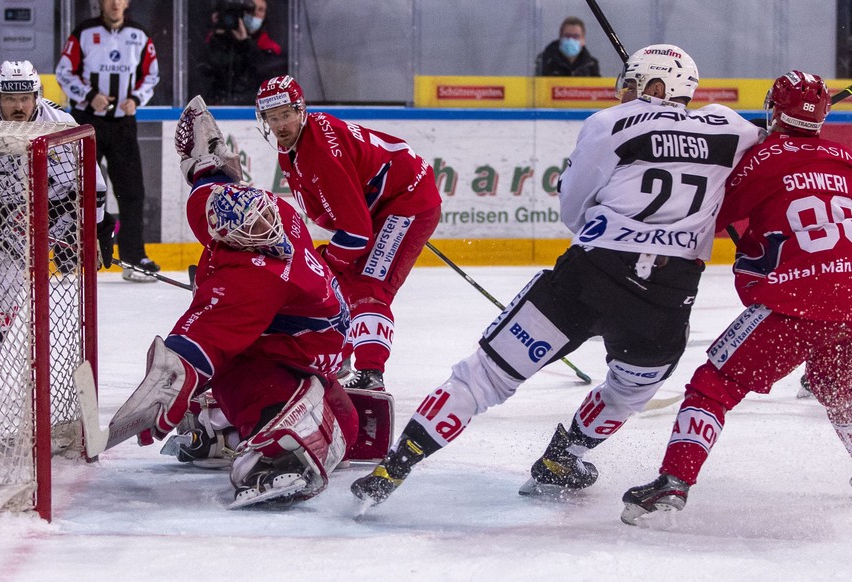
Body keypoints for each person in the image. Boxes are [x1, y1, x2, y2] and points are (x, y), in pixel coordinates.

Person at [349, 44, 764, 507]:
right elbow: (780, 130)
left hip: (590, 276)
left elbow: (573, 211)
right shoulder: (731, 125)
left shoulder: (610, 123)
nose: (623, 92)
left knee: (484, 376)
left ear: (652, 86)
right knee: (627, 392)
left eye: (630, 83)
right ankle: (564, 457)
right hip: (666, 298)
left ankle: (395, 467)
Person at [94, 96, 394, 506]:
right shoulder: (275, 211)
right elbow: (211, 185)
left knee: (236, 374)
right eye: (251, 226)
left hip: (308, 346)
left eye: (260, 224)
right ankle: (229, 424)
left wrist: (161, 402)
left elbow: (198, 350)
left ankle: (279, 451)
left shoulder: (251, 279)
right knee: (345, 422)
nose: (260, 227)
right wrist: (206, 160)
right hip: (306, 326)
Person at [621, 71, 852, 524]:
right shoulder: (845, 157)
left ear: (774, 107)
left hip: (795, 302)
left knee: (713, 384)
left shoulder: (762, 158)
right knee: (839, 390)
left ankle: (674, 481)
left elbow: (711, 213)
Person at [255, 75, 442, 392]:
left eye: (286, 114)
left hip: (406, 201)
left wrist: (322, 260)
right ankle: (334, 354)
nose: (280, 125)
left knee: (367, 285)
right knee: (334, 280)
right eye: (273, 118)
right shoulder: (291, 150)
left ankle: (371, 373)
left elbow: (355, 235)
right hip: (382, 206)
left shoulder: (322, 153)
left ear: (302, 110)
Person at [0, 60, 114, 398]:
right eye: (10, 99)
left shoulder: (60, 125)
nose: (19, 107)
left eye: (25, 97)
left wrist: (91, 233)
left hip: (48, 210)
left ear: (36, 95)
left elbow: (92, 187)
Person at [56, 0, 161, 282]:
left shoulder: (139, 35)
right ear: (100, 3)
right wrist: (90, 96)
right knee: (75, 188)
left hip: (123, 124)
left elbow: (151, 75)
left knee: (132, 191)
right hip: (87, 121)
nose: (115, 3)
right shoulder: (84, 33)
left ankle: (133, 257)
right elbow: (64, 71)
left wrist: (137, 99)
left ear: (127, 2)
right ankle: (67, 255)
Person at [199, 0, 286, 105]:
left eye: (261, 10)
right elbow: (205, 71)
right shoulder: (218, 41)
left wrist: (245, 43)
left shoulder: (269, 47)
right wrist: (217, 35)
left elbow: (265, 77)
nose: (255, 14)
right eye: (250, 9)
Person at [536, 16, 601, 77]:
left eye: (576, 36)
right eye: (567, 36)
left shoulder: (591, 65)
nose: (571, 40)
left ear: (583, 40)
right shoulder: (546, 61)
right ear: (560, 37)